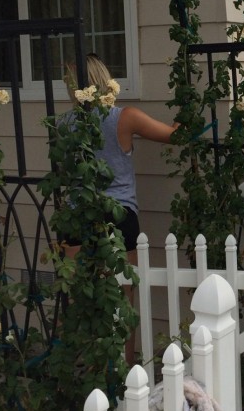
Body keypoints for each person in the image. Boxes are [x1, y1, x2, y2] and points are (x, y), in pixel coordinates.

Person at [64, 53, 178, 362]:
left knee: (81, 298)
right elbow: (176, 136)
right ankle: (125, 374)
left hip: (76, 215)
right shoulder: (124, 117)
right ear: (105, 79)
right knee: (122, 300)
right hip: (118, 215)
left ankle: (87, 373)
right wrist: (186, 109)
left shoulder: (64, 124)